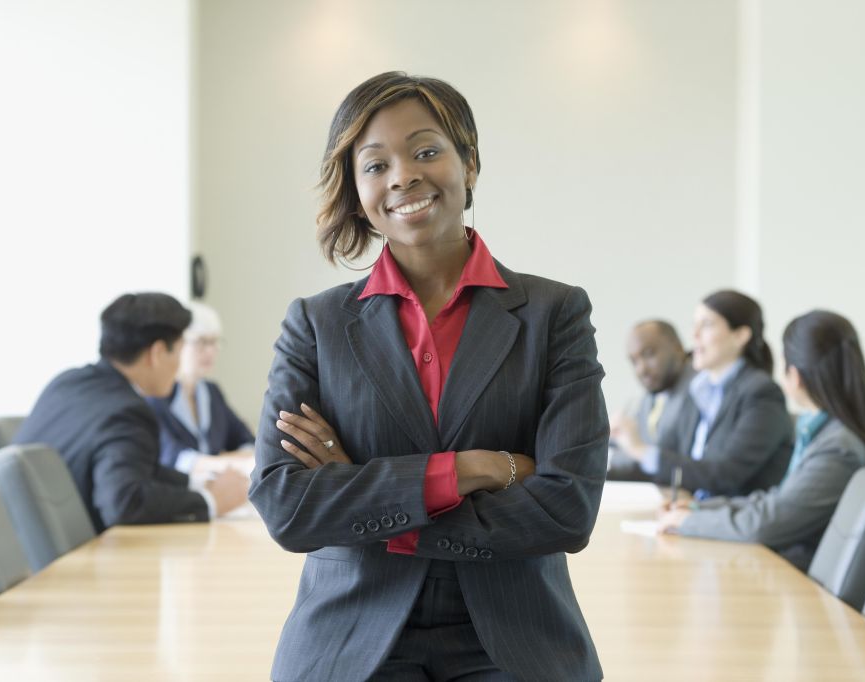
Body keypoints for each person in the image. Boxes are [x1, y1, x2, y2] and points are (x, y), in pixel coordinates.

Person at [248, 72, 608, 681]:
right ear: (356, 188)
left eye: (425, 151)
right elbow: (287, 508)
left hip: (518, 635)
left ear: (468, 163)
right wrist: (480, 467)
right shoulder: (317, 323)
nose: (402, 177)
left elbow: (568, 509)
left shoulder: (556, 313)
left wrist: (373, 503)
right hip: (351, 634)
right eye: (375, 164)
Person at [658, 310, 865, 571]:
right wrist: (700, 509)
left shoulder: (837, 448)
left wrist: (687, 523)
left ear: (795, 375)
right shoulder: (824, 434)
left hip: (793, 579)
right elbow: (777, 501)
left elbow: (767, 523)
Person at [15, 293, 248, 533]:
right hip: (77, 559)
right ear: (157, 353)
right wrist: (210, 502)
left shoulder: (68, 382)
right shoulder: (127, 411)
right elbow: (125, 501)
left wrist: (197, 482)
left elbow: (136, 471)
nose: (178, 365)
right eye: (178, 352)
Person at [611, 290, 793, 498]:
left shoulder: (762, 394)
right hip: (689, 514)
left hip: (725, 523)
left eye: (706, 325)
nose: (694, 335)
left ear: (740, 335)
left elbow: (726, 475)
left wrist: (640, 449)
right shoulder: (698, 390)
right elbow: (676, 460)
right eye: (694, 325)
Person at [146, 302, 255, 478]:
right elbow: (175, 459)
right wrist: (223, 460)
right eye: (201, 342)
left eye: (214, 342)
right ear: (178, 345)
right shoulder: (155, 395)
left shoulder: (211, 392)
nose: (211, 351)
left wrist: (212, 462)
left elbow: (248, 443)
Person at [608, 320, 694, 481]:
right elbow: (629, 451)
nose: (641, 369)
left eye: (648, 354)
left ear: (678, 347)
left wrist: (633, 447)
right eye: (634, 361)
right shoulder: (650, 396)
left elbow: (658, 455)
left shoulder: (698, 389)